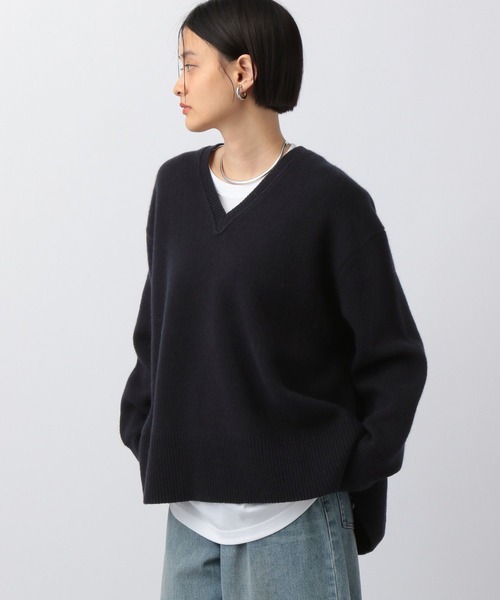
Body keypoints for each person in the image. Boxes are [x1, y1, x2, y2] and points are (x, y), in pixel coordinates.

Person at [119, 0, 427, 598]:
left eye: (190, 64)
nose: (177, 85)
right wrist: (146, 430)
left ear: (242, 72)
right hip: (189, 523)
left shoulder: (331, 202)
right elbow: (156, 332)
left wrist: (337, 465)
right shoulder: (174, 188)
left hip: (295, 523)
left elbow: (394, 358)